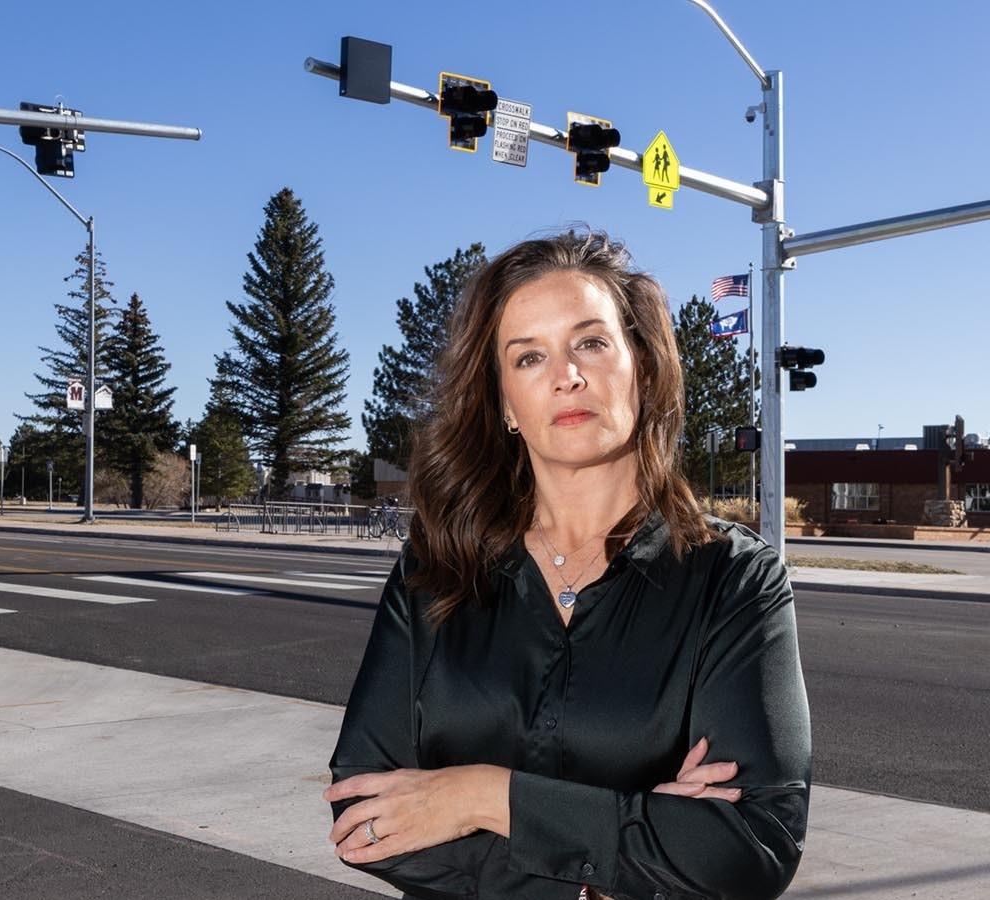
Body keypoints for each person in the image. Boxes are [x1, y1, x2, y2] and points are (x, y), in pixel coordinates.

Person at [325, 231, 811, 899]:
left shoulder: (733, 579)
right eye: (529, 357)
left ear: (639, 364)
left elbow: (751, 844)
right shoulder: (437, 568)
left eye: (590, 342)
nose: (567, 375)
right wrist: (611, 865)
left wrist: (480, 796)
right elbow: (362, 815)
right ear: (503, 404)